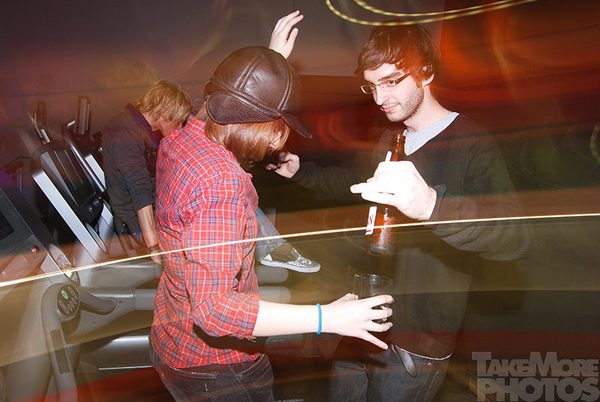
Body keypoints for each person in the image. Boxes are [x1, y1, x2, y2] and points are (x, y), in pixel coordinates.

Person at [270, 23, 529, 401]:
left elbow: (514, 238)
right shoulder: (390, 140)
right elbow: (355, 185)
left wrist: (431, 206)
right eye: (372, 86)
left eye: (391, 82)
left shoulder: (471, 144)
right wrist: (301, 172)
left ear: (427, 73)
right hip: (361, 322)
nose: (380, 97)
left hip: (414, 343)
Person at [149, 45, 394, 402]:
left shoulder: (181, 140)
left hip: (171, 339)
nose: (277, 140)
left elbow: (236, 104)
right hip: (218, 370)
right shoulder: (222, 183)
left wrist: (267, 65)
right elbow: (214, 310)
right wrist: (327, 318)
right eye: (277, 126)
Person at [102, 80, 192, 264]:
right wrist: (153, 246)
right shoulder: (125, 131)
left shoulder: (142, 129)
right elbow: (139, 190)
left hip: (155, 211)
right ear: (164, 112)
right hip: (136, 222)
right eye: (178, 120)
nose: (179, 127)